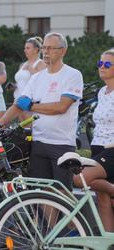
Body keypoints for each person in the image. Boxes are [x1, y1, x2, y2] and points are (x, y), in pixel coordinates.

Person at [0, 32, 83, 190]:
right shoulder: (37, 78)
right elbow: (18, 105)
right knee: (40, 191)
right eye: (44, 47)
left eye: (51, 48)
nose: (46, 51)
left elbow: (61, 107)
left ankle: (67, 216)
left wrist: (31, 106)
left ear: (63, 51)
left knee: (62, 193)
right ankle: (46, 217)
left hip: (61, 144)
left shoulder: (72, 75)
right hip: (39, 142)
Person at [73, 48, 114, 232]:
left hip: (112, 149)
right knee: (103, 200)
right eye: (100, 63)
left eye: (107, 64)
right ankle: (109, 243)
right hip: (97, 147)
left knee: (79, 178)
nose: (102, 67)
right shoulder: (101, 92)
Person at [13, 36, 46, 100]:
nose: (25, 50)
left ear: (36, 50)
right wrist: (14, 86)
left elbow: (43, 81)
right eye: (24, 48)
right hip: (17, 99)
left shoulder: (41, 63)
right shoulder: (22, 64)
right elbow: (22, 82)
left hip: (30, 101)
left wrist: (31, 70)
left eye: (28, 48)